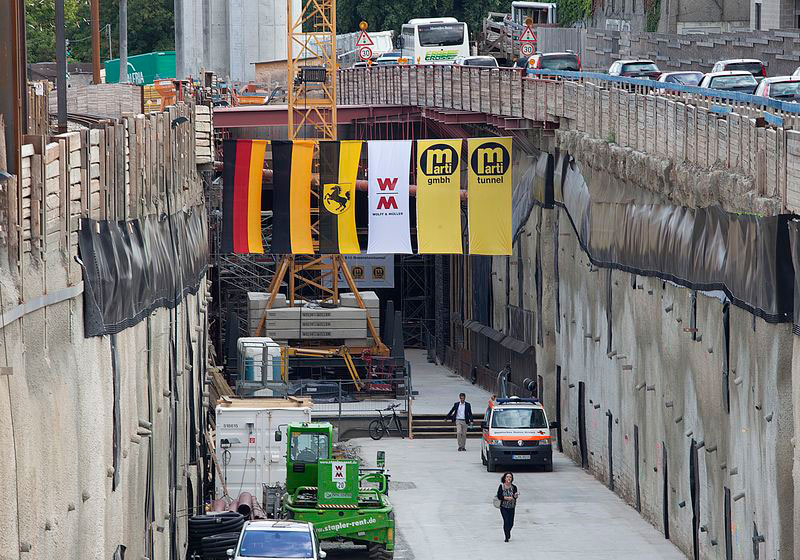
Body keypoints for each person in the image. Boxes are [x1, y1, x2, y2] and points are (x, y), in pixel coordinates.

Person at [497, 472, 519, 542]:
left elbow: (515, 497)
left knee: (511, 523)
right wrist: (507, 498)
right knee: (506, 521)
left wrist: (515, 496)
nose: (509, 478)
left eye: (510, 477)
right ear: (504, 478)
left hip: (512, 507)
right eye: (507, 477)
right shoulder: (501, 486)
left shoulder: (514, 487)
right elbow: (499, 496)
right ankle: (506, 536)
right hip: (504, 507)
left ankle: (508, 531)